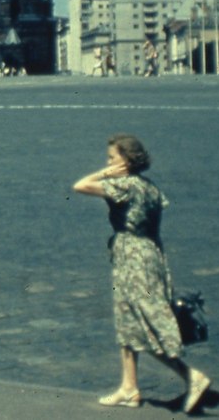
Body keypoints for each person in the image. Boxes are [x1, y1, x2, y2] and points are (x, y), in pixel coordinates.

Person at [73, 134, 210, 412]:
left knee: (145, 321)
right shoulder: (149, 187)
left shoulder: (124, 185)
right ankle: (129, 387)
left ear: (125, 160)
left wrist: (104, 173)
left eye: (112, 158)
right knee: (128, 320)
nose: (108, 162)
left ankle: (191, 376)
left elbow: (81, 185)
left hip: (133, 257)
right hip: (150, 254)